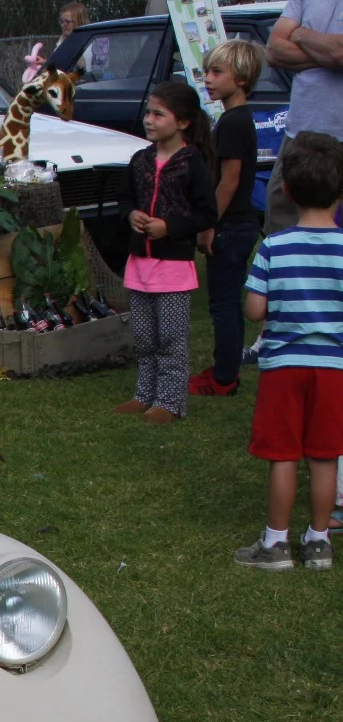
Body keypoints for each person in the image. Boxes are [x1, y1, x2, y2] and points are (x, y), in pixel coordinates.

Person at [235, 132, 343, 570]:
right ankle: (319, 541)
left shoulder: (273, 248)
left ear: (288, 190)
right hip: (334, 370)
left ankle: (275, 544)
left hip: (283, 368)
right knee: (324, 455)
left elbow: (255, 309)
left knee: (283, 455)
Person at [112, 81, 217, 425]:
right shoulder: (140, 160)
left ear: (183, 122)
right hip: (139, 264)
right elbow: (124, 199)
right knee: (144, 336)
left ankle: (171, 401)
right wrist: (131, 215)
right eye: (148, 113)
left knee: (170, 337)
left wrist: (168, 227)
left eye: (159, 114)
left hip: (172, 266)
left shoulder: (192, 163)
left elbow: (206, 214)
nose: (149, 120)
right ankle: (144, 394)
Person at [190, 39, 266, 398]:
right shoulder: (234, 119)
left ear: (241, 79)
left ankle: (223, 377)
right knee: (226, 301)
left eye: (217, 72)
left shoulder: (234, 123)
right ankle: (226, 368)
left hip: (231, 226)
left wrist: (208, 225)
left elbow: (229, 181)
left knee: (222, 304)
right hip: (236, 225)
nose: (208, 79)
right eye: (207, 71)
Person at [264, 0, 343, 234]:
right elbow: (273, 51)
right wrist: (327, 58)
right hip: (299, 132)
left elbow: (340, 54)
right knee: (280, 220)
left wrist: (298, 34)